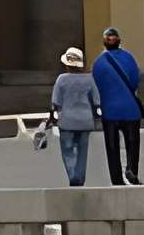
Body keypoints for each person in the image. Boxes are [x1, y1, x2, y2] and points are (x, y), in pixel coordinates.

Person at [92, 24, 144, 186]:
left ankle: (116, 180)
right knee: (132, 142)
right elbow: (135, 81)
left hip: (110, 111)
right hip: (130, 109)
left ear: (104, 43)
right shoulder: (129, 58)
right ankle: (131, 168)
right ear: (119, 42)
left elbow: (96, 86)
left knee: (112, 146)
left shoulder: (98, 63)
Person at [41, 46, 101, 189]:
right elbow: (97, 100)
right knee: (82, 151)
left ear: (67, 65)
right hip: (86, 121)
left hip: (67, 120)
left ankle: (73, 175)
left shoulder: (61, 79)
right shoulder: (90, 79)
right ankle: (79, 177)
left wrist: (51, 119)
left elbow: (55, 102)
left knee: (67, 150)